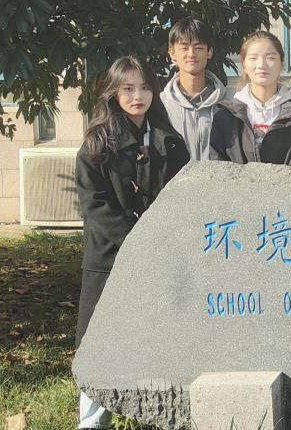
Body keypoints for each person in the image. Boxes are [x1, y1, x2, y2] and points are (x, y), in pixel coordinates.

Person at [75, 57, 189, 429]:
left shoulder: (170, 142)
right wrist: (137, 239)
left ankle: (161, 416)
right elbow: (95, 205)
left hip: (160, 257)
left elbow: (182, 199)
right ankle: (93, 421)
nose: (137, 96)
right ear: (113, 93)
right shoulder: (96, 144)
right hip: (110, 258)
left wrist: (159, 242)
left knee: (159, 338)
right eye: (127, 88)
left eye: (144, 88)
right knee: (100, 343)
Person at [208, 31, 291, 166]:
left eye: (270, 58)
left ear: (282, 63)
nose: (261, 65)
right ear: (244, 65)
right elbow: (217, 167)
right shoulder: (226, 116)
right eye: (253, 58)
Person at [160, 17, 231, 160]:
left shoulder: (230, 103)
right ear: (172, 53)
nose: (191, 54)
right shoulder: (160, 104)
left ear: (209, 52)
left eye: (199, 48)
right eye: (184, 48)